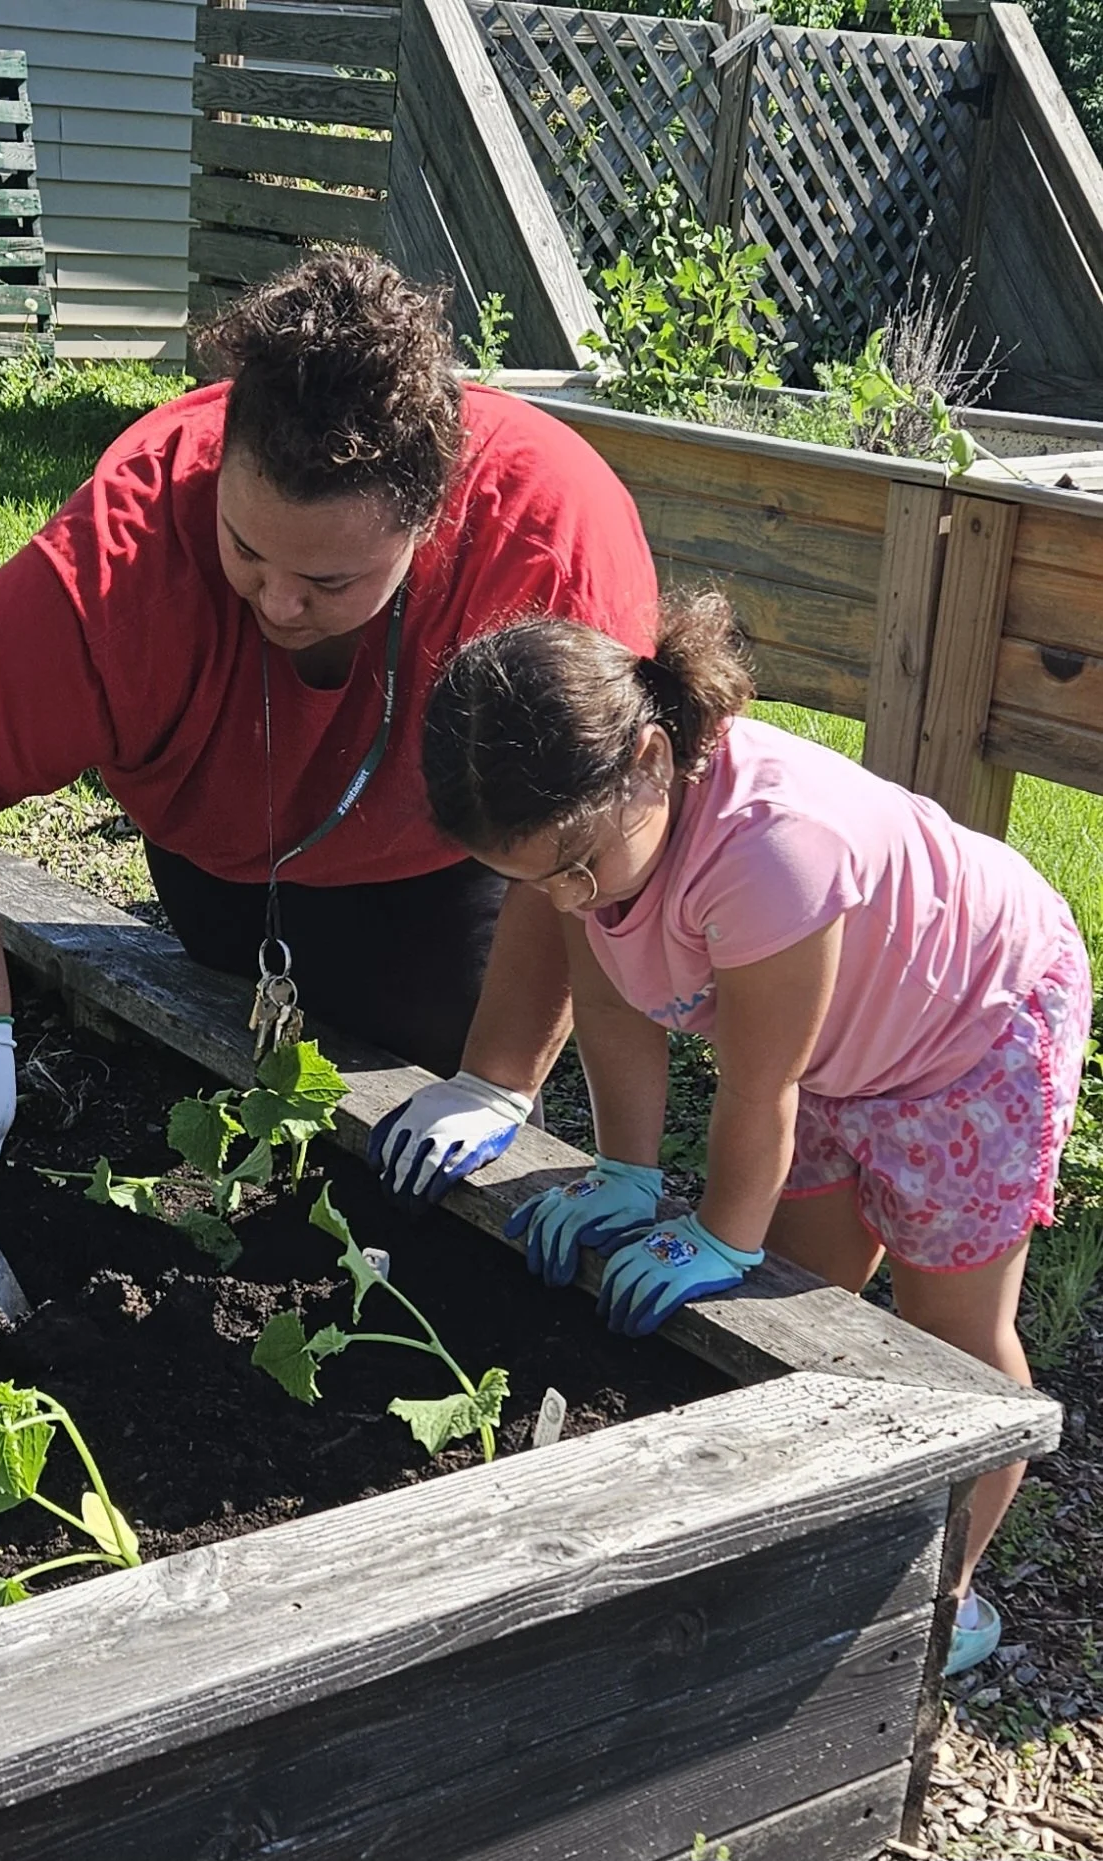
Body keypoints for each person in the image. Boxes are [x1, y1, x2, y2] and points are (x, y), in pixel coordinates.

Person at [0, 252, 657, 1214]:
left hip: (443, 872)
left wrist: (497, 1080)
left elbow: (580, 839)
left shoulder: (546, 541)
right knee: (231, 1075)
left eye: (330, 582)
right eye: (245, 547)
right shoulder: (135, 535)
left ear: (428, 519)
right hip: (223, 856)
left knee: (419, 1152)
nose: (277, 602)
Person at [419, 597, 1092, 1676]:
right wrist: (627, 1170)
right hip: (831, 1042)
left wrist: (719, 1232)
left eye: (573, 869)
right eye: (530, 881)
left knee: (949, 1331)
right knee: (799, 1292)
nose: (560, 900)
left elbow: (758, 1084)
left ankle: (942, 1596)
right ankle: (822, 1521)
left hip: (973, 1029)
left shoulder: (772, 847)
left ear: (649, 761)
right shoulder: (590, 847)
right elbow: (612, 1002)